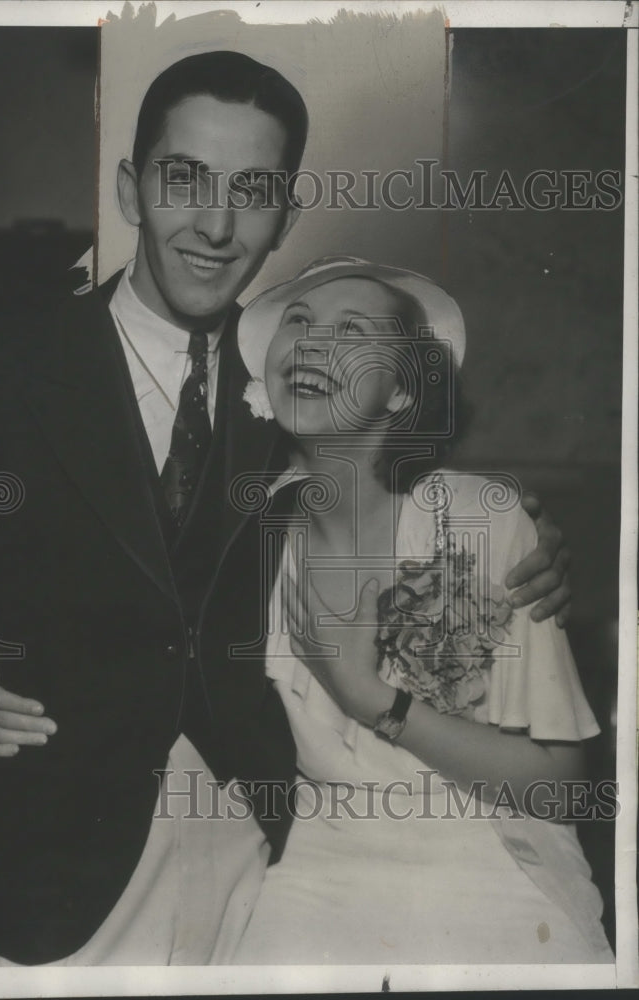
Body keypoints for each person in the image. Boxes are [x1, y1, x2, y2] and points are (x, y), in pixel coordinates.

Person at [0, 53, 571, 967]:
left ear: (284, 214)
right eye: (183, 180)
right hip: (56, 867)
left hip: (262, 854)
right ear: (131, 190)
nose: (214, 223)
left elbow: (401, 502)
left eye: (253, 189)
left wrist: (530, 541)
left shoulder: (296, 373)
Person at [216, 257, 611, 964]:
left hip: (490, 856)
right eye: (299, 324)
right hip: (314, 864)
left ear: (399, 391)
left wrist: (377, 701)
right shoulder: (244, 532)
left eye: (352, 332)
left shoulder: (481, 523)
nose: (310, 345)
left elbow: (562, 789)